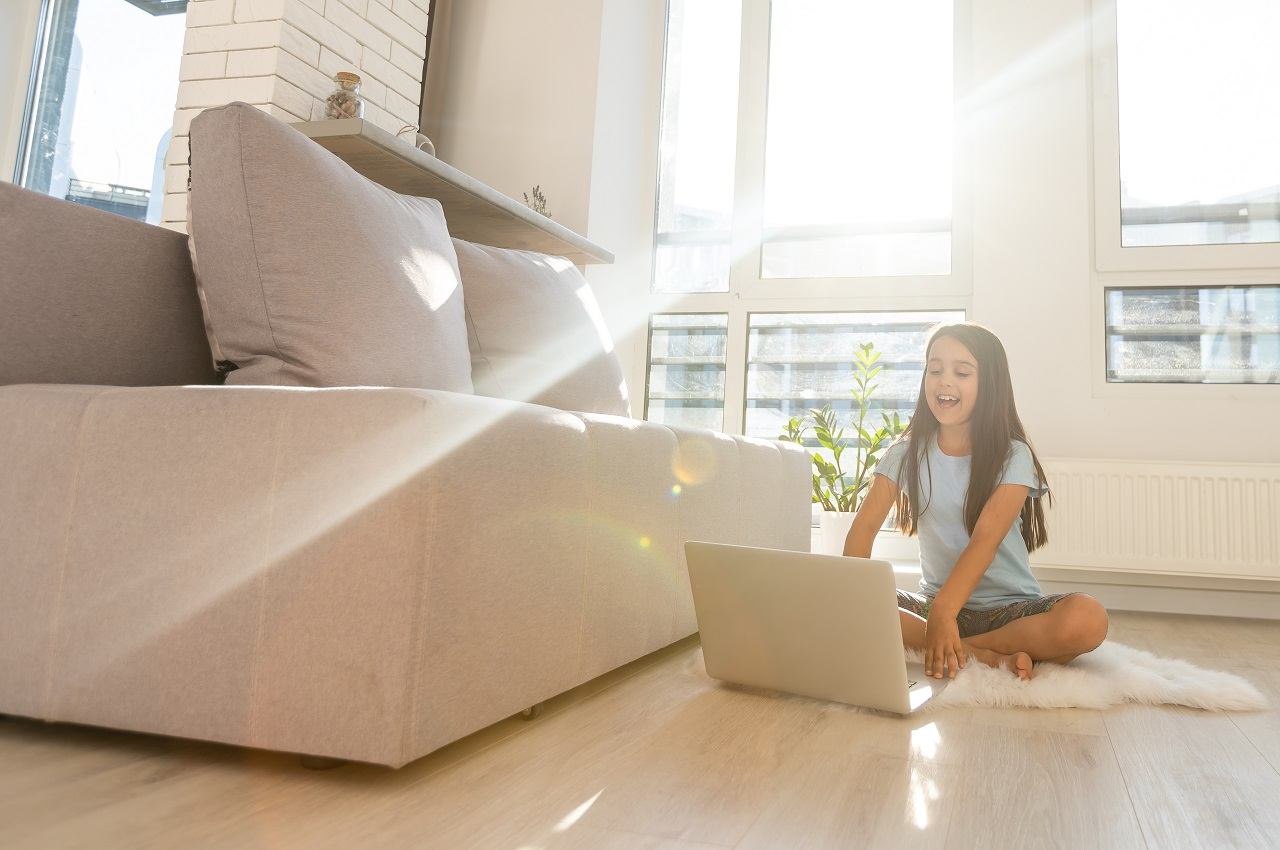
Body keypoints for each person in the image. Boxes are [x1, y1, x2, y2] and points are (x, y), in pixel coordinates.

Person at [845, 322, 1108, 681]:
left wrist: (943, 616)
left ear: (990, 386)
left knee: (1088, 618)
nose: (944, 380)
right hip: (932, 605)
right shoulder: (902, 454)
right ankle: (977, 655)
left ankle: (953, 643)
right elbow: (863, 528)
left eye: (962, 372)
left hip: (1009, 611)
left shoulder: (1013, 455)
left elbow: (985, 539)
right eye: (934, 369)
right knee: (837, 599)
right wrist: (852, 592)